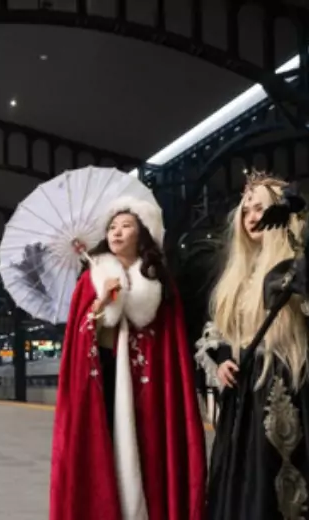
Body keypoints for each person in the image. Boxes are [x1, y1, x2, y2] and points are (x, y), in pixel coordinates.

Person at [50, 196, 206, 520]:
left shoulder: (159, 283)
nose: (116, 233)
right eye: (111, 227)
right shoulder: (90, 281)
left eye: (126, 226)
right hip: (104, 381)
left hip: (147, 389)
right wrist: (101, 303)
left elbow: (170, 345)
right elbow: (80, 340)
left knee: (148, 451)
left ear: (143, 233)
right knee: (104, 448)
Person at [195, 172, 309, 519]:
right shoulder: (237, 275)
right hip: (245, 396)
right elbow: (218, 333)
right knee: (247, 484)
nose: (252, 217)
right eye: (245, 211)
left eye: (260, 208)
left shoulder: (301, 262)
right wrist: (224, 359)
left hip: (295, 385)